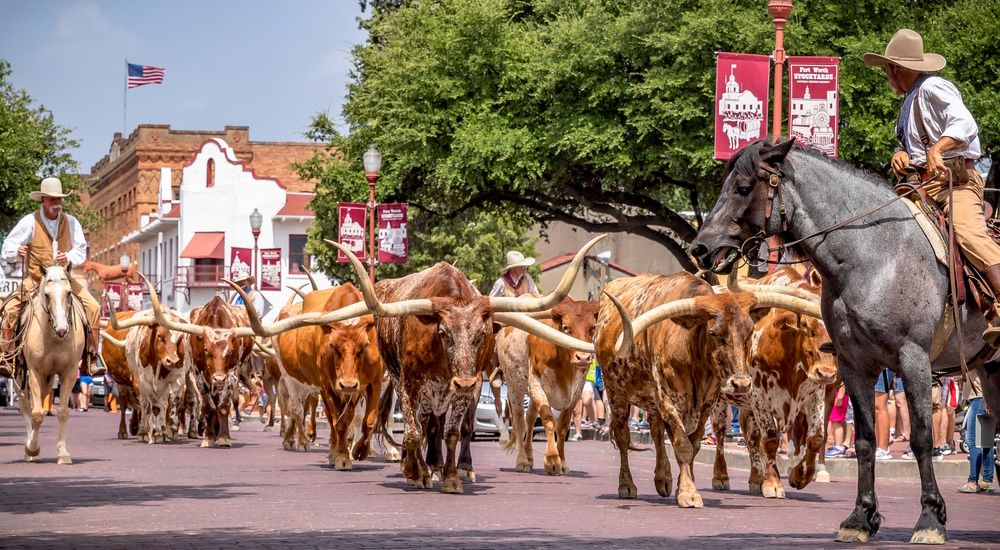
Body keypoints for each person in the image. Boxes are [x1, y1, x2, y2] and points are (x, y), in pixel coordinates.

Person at [865, 29, 1000, 343]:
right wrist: (899, 155)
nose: (888, 76)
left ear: (894, 68)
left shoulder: (932, 87)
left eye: (887, 69)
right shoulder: (909, 102)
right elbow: (912, 150)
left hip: (955, 183)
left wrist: (938, 149)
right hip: (920, 187)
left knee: (967, 231)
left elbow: (964, 124)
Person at [0, 177, 102, 371]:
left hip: (65, 281)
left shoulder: (71, 222)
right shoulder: (29, 222)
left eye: (59, 200)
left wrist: (69, 257)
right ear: (43, 200)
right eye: (52, 199)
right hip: (36, 280)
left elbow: (81, 250)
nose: (57, 203)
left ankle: (92, 357)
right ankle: (7, 356)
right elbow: (8, 247)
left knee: (95, 308)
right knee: (10, 309)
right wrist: (17, 251)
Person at [959, 369, 994, 493]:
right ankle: (987, 480)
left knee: (973, 440)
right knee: (986, 441)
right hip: (986, 397)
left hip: (979, 396)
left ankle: (972, 481)